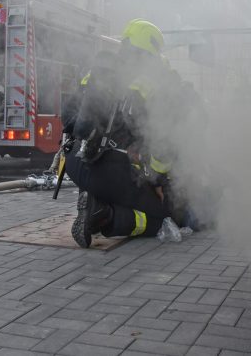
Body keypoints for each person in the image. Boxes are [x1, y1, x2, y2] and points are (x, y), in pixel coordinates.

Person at [64, 19, 179, 248]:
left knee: (117, 185)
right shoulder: (148, 85)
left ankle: (92, 197)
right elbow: (161, 142)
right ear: (148, 55)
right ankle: (104, 214)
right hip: (110, 170)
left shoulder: (95, 72)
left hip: (75, 163)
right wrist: (157, 181)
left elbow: (68, 119)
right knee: (164, 217)